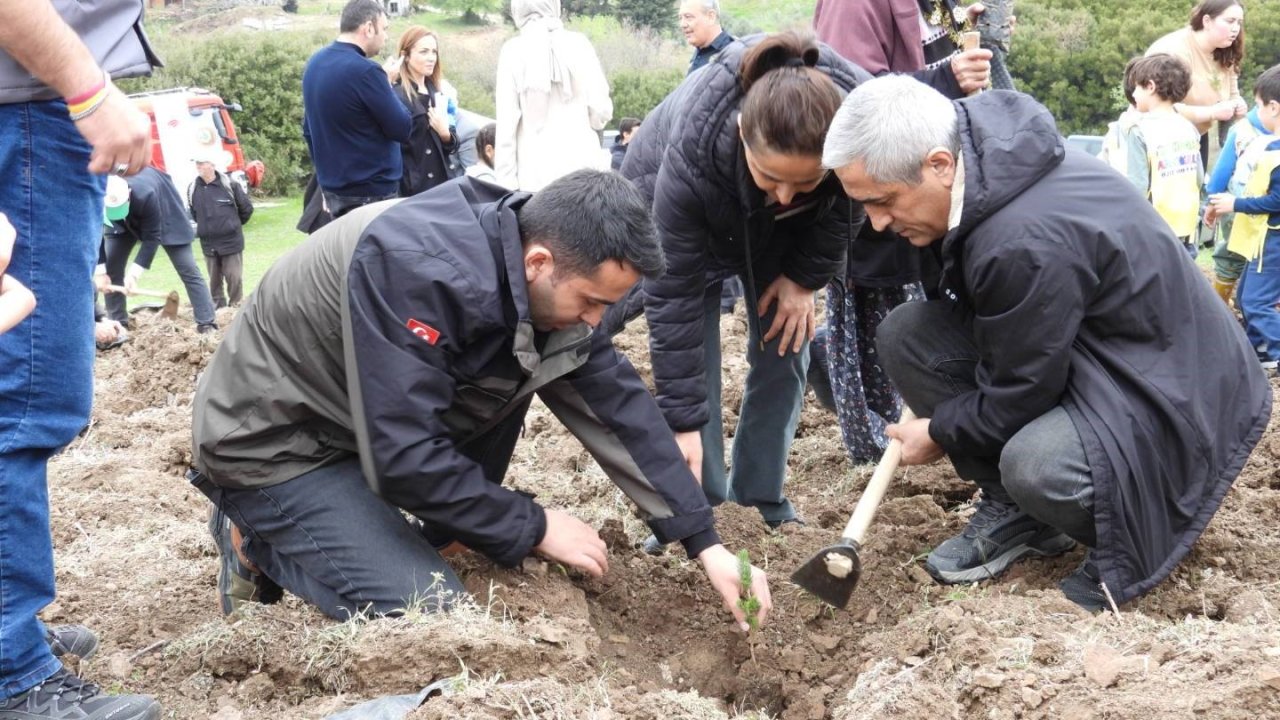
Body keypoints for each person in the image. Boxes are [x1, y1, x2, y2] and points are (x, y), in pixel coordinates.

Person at [188, 169, 771, 631]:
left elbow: (617, 407)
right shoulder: (421, 271)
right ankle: (255, 536)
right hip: (274, 439)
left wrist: (706, 544)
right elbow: (402, 457)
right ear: (539, 261)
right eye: (593, 302)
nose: (598, 320)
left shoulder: (524, 259)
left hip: (362, 416)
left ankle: (416, 531)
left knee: (527, 364)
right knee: (432, 612)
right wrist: (533, 523)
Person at [823, 75, 1269, 611]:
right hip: (1101, 355)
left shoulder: (1020, 238)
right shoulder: (985, 176)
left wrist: (939, 429)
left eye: (883, 201)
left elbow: (1020, 392)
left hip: (1177, 394)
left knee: (1038, 466)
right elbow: (998, 339)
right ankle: (1021, 515)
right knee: (907, 334)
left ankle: (1138, 527)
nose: (877, 222)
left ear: (939, 165)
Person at [610, 32, 916, 540]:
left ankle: (761, 498)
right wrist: (682, 419)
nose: (783, 193)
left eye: (803, 181)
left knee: (787, 344)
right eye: (771, 175)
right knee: (696, 356)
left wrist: (803, 279)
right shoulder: (696, 150)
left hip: (792, 234)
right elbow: (674, 297)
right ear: (741, 134)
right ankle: (699, 504)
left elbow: (849, 206)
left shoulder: (858, 120)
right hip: (692, 213)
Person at [0, 0, 161, 716]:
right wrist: (87, 87)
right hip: (30, 107)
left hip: (34, 102)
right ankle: (12, 669)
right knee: (23, 400)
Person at [807, 0, 994, 464]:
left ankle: (923, 437)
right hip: (886, 209)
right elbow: (855, 101)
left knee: (924, 323)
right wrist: (946, 78)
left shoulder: (937, 8)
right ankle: (876, 448)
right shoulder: (854, 6)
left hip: (929, 202)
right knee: (874, 335)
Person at [302, 0, 411, 217]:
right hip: (372, 194)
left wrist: (324, 182)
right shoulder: (367, 72)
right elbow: (403, 128)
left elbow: (308, 129)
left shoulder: (314, 64)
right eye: (385, 29)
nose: (386, 37)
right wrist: (387, 83)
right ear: (369, 28)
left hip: (334, 191)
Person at [1206, 65, 1280, 373]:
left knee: (1256, 301)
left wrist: (1235, 203)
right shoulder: (1270, 146)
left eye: (1259, 105)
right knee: (1249, 293)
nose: (1255, 111)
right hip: (1261, 239)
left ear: (1273, 107)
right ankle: (1257, 349)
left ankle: (1274, 348)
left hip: (1272, 239)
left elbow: (1277, 201)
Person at [495, 0, 612, 191]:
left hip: (534, 179)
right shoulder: (579, 44)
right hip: (585, 172)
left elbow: (506, 125)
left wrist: (506, 186)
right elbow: (602, 109)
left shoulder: (512, 51)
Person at [1108, 54, 1204, 258]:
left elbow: (1138, 186)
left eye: (1137, 87)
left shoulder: (1138, 130)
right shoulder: (1188, 127)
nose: (1133, 93)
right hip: (1186, 225)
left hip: (1154, 228)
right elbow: (1199, 177)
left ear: (1150, 87)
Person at [100, 169, 218, 333]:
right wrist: (100, 272)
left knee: (187, 268)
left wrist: (134, 274)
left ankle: (206, 322)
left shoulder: (146, 194)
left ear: (128, 193)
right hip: (119, 223)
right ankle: (118, 324)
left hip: (165, 213)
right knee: (111, 267)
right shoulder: (98, 194)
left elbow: (151, 237)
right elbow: (95, 233)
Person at [1146, 0, 1246, 164]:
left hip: (1196, 133)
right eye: (1229, 21)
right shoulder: (1174, 51)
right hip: (1160, 139)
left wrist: (1237, 104)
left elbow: (1233, 93)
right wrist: (1213, 112)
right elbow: (1161, 109)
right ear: (1206, 21)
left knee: (1195, 188)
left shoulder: (1226, 49)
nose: (1236, 28)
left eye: (1239, 23)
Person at [1204, 85, 1274, 304]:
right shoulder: (1243, 130)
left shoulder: (1244, 129)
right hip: (1243, 210)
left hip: (1256, 212)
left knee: (1242, 257)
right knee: (1239, 256)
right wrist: (1213, 201)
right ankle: (1223, 308)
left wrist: (1213, 201)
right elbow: (1221, 173)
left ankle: (1233, 309)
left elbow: (1221, 173)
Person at [391, 26, 458, 197]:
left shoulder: (438, 93)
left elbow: (453, 144)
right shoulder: (396, 95)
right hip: (414, 188)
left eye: (434, 52)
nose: (431, 58)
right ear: (406, 56)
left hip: (443, 182)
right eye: (424, 52)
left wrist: (445, 134)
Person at [188, 153, 254, 309]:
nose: (198, 166)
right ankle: (219, 309)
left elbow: (246, 209)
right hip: (208, 243)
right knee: (214, 281)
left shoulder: (230, 185)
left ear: (212, 164)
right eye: (197, 163)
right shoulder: (193, 188)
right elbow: (194, 213)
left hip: (231, 242)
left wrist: (233, 225)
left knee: (234, 278)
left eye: (202, 162)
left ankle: (236, 307)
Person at [680, 0, 732, 75]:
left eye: (688, 17)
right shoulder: (700, 48)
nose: (682, 24)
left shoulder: (733, 54)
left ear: (711, 17)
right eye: (680, 18)